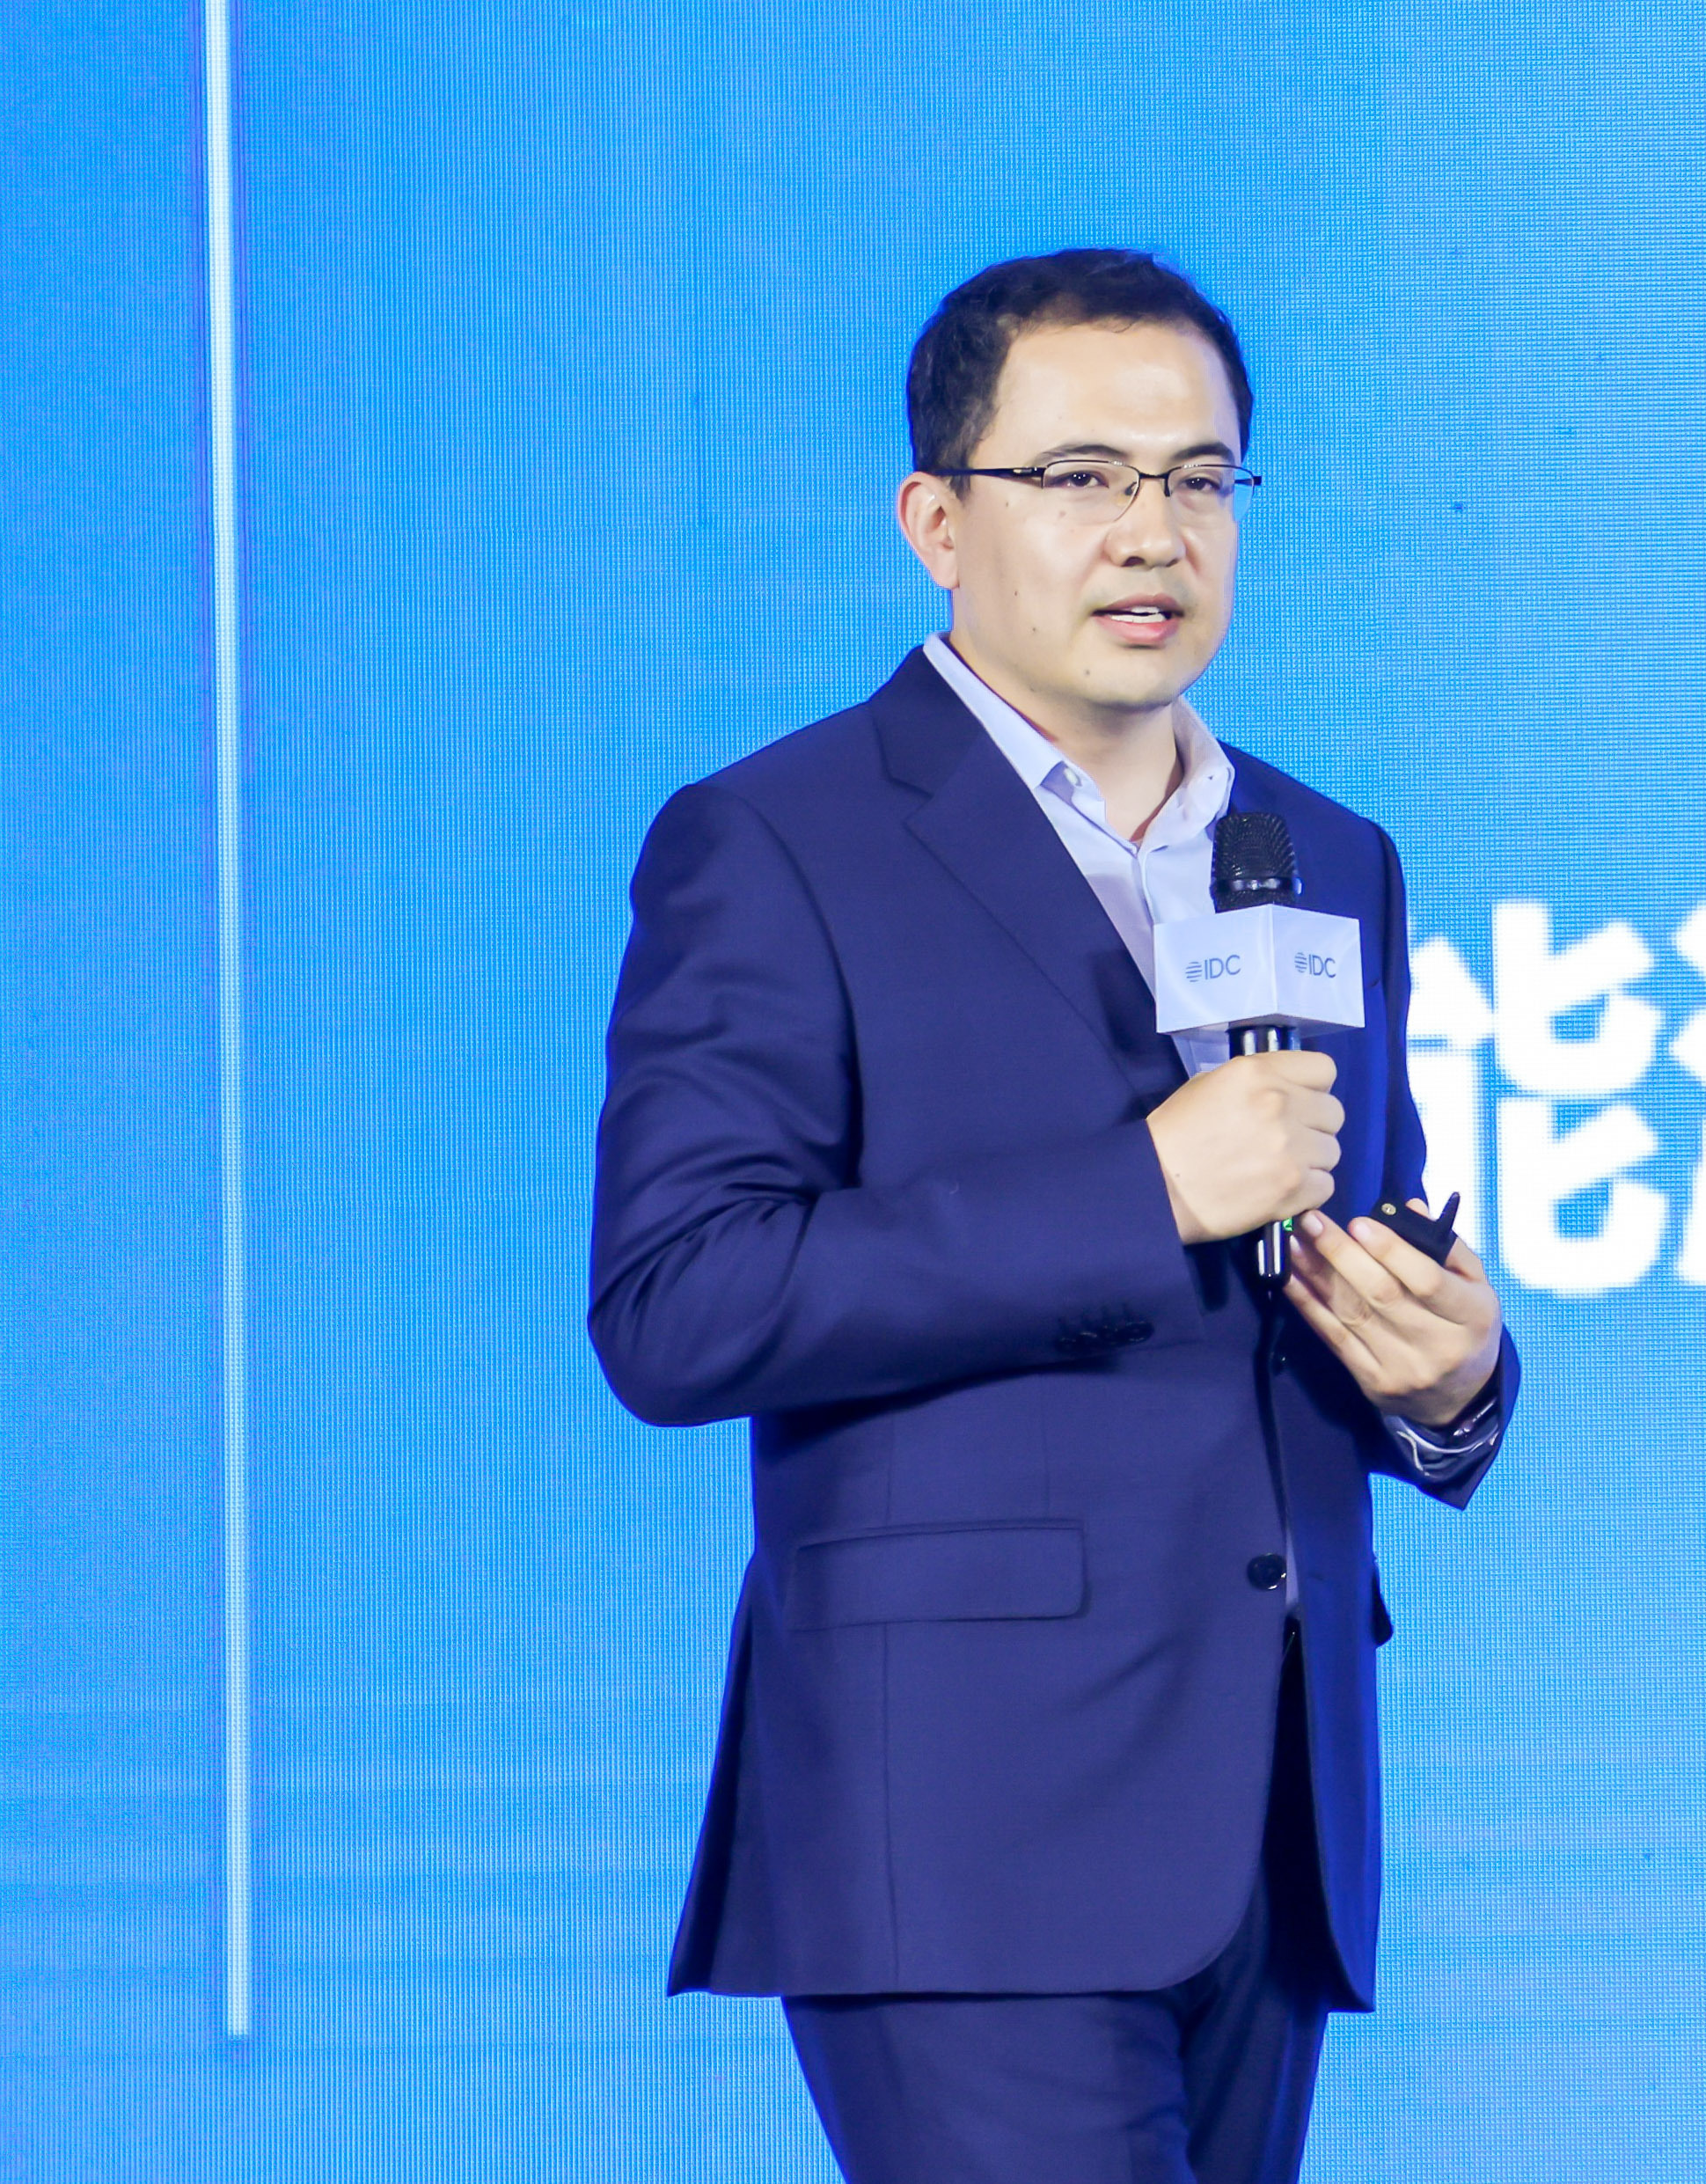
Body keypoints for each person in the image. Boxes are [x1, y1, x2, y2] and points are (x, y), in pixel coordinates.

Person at [589, 248, 1519, 2184]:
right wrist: (1141, 1191)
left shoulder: (1320, 852)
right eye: (1082, 476)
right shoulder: (778, 839)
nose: (1150, 532)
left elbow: (1340, 1258)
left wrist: (1448, 1382)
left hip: (1267, 1805)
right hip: (959, 1819)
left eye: (1199, 478)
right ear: (936, 519)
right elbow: (679, 1300)